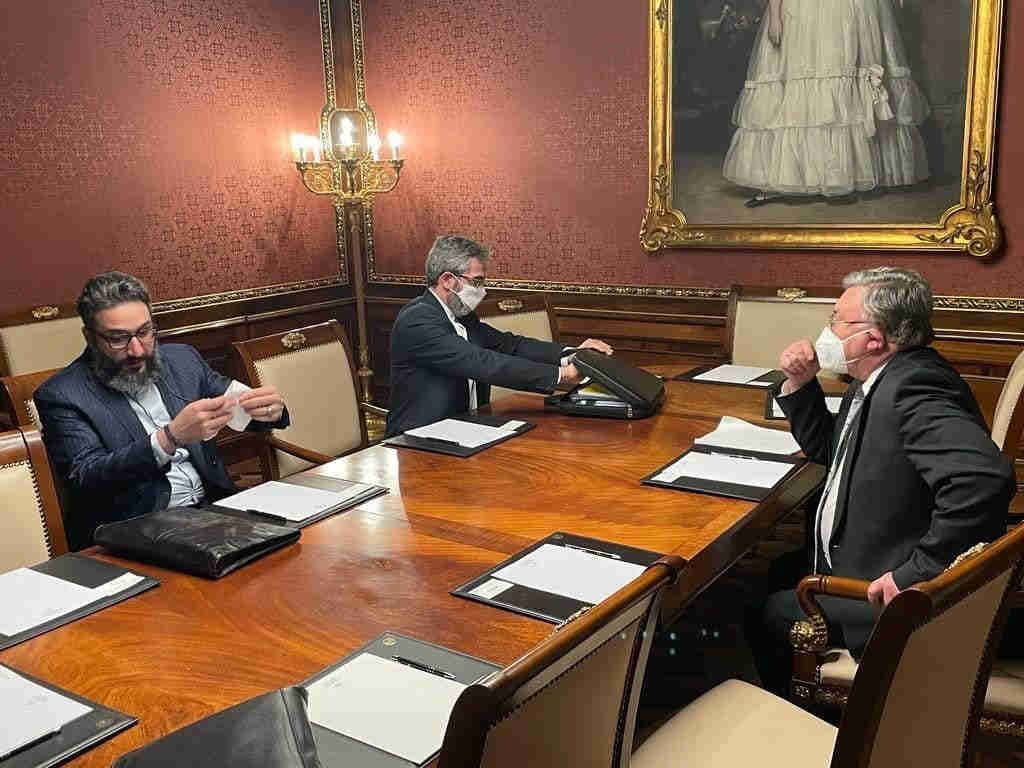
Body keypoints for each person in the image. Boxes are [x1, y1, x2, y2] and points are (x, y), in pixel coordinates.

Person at [747, 267, 1014, 694]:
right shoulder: (875, 376)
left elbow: (983, 480)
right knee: (776, 570)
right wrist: (800, 382)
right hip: (856, 550)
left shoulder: (913, 387)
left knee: (768, 613)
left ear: (872, 339)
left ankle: (811, 717)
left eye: (836, 320)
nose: (827, 331)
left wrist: (915, 572)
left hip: (881, 586)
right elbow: (832, 451)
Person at [35, 271, 290, 550]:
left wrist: (269, 410)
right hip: (139, 530)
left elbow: (237, 405)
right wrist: (169, 438)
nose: (137, 350)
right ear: (89, 337)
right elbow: (86, 476)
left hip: (218, 509)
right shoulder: (62, 394)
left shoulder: (182, 359)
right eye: (118, 339)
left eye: (145, 332)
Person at [386, 235, 612, 436]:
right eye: (476, 281)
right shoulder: (417, 320)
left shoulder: (461, 315)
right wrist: (562, 374)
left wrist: (572, 354)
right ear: (447, 280)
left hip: (466, 428)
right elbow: (482, 362)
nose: (482, 290)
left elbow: (509, 345)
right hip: (420, 438)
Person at [724, 0, 931, 206]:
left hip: (849, 10)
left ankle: (844, 177)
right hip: (802, 12)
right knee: (803, 86)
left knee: (844, 84)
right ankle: (792, 178)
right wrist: (775, 15)